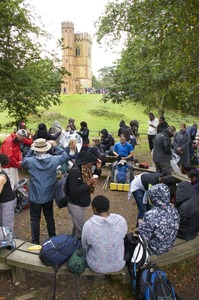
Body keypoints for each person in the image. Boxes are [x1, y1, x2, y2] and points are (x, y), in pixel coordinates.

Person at [21, 138, 68, 244]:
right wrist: (56, 146)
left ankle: (35, 241)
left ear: (35, 149)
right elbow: (65, 156)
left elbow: (23, 162)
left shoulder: (30, 161)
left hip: (35, 195)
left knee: (35, 219)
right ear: (47, 148)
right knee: (49, 217)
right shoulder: (54, 160)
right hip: (49, 194)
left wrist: (31, 150)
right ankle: (53, 238)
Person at [81, 195, 128, 273]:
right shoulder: (121, 220)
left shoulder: (89, 225)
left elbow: (84, 245)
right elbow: (124, 235)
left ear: (94, 209)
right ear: (108, 207)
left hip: (97, 266)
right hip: (118, 264)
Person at [67, 151, 102, 239]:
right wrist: (88, 183)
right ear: (85, 162)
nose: (91, 166)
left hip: (81, 202)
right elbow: (73, 191)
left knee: (76, 226)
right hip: (75, 203)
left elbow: (94, 176)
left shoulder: (84, 170)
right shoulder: (75, 172)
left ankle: (72, 241)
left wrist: (98, 169)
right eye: (90, 163)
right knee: (81, 230)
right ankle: (77, 247)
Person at [139, 183, 180, 256]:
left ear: (152, 198)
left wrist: (141, 224)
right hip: (169, 246)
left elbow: (143, 239)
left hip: (154, 250)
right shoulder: (174, 210)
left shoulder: (150, 215)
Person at [0, 154, 16, 233]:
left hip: (7, 202)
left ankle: (9, 242)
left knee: (6, 225)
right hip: (2, 201)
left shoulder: (2, 177)